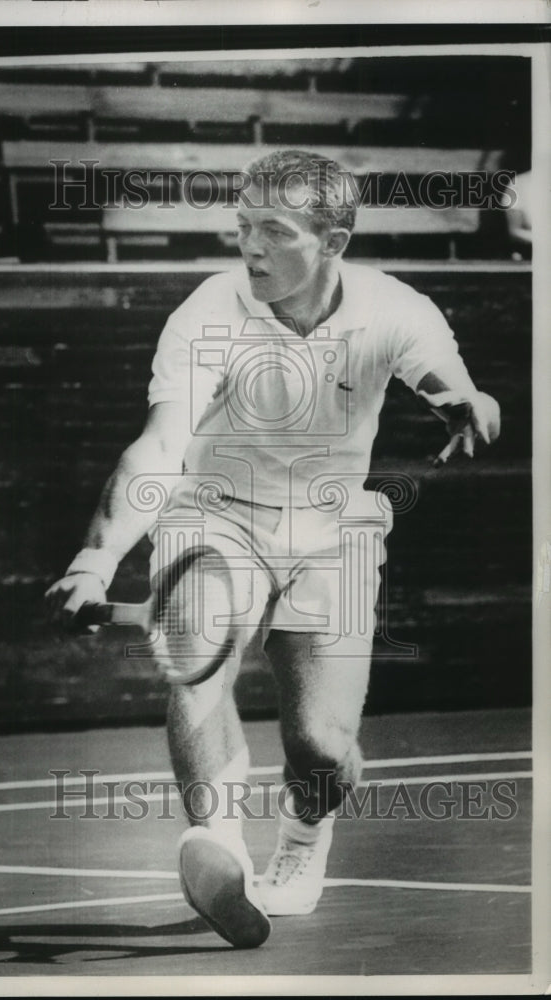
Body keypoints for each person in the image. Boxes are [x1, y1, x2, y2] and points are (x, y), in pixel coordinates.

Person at [45, 149, 501, 949]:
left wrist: (468, 401)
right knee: (195, 666)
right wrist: (96, 557)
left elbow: (446, 381)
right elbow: (158, 447)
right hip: (211, 515)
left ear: (335, 241)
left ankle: (302, 839)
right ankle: (217, 843)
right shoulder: (207, 313)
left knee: (321, 749)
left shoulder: (397, 309)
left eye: (274, 231)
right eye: (243, 225)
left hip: (335, 532)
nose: (250, 247)